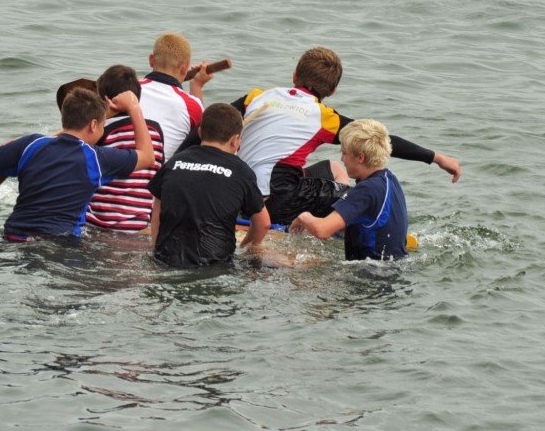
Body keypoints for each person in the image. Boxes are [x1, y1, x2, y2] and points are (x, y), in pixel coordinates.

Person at [181, 46, 461, 225]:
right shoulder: (324, 117)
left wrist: (175, 166)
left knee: (334, 168)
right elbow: (382, 141)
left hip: (235, 193)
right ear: (332, 91)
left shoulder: (257, 96)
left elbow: (205, 129)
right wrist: (436, 157)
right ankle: (330, 225)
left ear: (294, 75)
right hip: (274, 203)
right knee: (355, 197)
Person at [0, 88, 154, 242]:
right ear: (93, 125)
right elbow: (147, 157)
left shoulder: (32, 144)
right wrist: (134, 107)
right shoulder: (96, 158)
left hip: (12, 236)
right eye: (102, 125)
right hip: (59, 243)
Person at [148, 103, 269, 268]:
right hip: (215, 264)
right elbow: (263, 224)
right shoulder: (241, 170)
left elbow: (157, 211)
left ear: (199, 132)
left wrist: (156, 249)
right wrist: (244, 248)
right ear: (235, 140)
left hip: (167, 259)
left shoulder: (175, 162)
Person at [290, 119, 410, 260]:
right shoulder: (389, 178)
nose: (342, 159)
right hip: (396, 264)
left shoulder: (365, 190)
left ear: (360, 157)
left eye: (344, 153)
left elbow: (321, 230)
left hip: (369, 274)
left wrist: (303, 217)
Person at [85, 65, 165, 232]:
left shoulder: (101, 132)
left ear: (105, 99)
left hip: (99, 225)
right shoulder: (155, 132)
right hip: (139, 227)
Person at [138, 32, 214, 162]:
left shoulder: (127, 89)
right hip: (160, 179)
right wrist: (197, 85)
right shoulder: (191, 105)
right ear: (184, 69)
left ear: (151, 60)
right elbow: (198, 134)